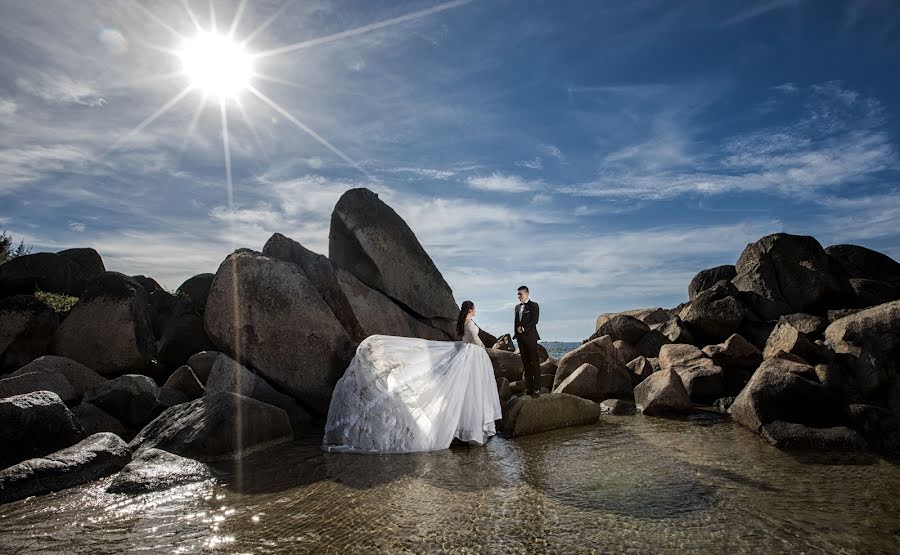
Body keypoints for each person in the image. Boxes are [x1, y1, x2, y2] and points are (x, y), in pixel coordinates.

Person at [322, 300, 502, 453]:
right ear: (471, 310)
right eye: (475, 308)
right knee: (471, 389)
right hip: (473, 354)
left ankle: (464, 427)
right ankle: (471, 428)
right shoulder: (470, 324)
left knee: (463, 389)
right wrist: (484, 349)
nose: (476, 310)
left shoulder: (462, 322)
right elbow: (474, 340)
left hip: (466, 353)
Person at [513, 285, 541, 397]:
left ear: (527, 294)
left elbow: (535, 320)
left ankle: (537, 389)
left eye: (520, 294)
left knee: (534, 363)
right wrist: (516, 334)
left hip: (531, 338)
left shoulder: (534, 305)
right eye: (518, 294)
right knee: (526, 364)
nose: (518, 296)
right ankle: (529, 389)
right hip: (520, 339)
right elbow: (516, 322)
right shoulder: (517, 307)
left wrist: (523, 329)